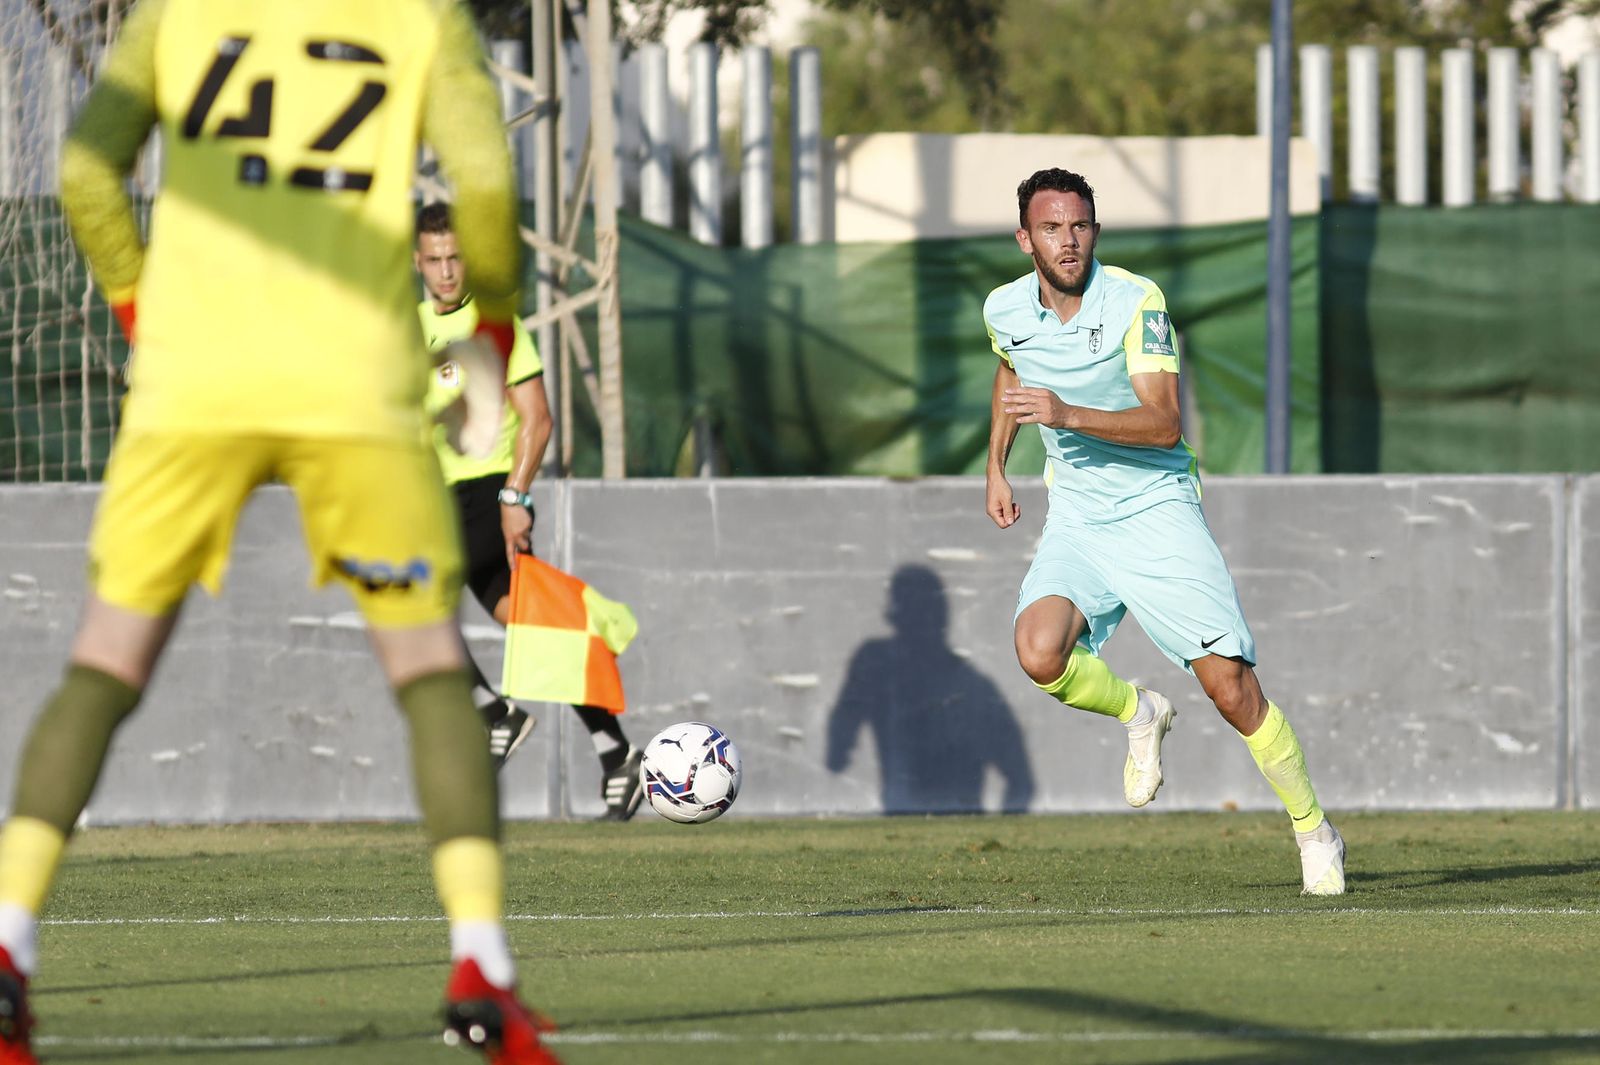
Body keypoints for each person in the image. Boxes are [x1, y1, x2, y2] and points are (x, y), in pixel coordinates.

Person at [0, 2, 563, 1062]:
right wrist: (489, 328)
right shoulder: (420, 16)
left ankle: (8, 948)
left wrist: (139, 310)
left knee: (104, 664)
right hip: (353, 379)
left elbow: (86, 170)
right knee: (431, 673)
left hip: (193, 380)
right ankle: (482, 965)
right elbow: (485, 185)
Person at [983, 168, 1345, 896]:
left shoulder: (1137, 301)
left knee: (1231, 689)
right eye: (1051, 228)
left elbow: (1164, 423)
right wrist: (996, 465)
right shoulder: (1004, 308)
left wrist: (1066, 414)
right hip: (1079, 516)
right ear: (1025, 239)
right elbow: (1010, 371)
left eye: (1080, 225)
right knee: (1038, 650)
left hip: (1156, 507)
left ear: (1095, 231)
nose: (1068, 240)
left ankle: (1314, 830)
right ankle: (1140, 710)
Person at [414, 203, 644, 817]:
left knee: (410, 597)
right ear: (418, 262)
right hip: (440, 497)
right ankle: (617, 753)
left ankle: (496, 713)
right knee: (538, 630)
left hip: (486, 493)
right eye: (434, 259)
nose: (446, 271)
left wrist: (515, 497)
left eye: (455, 257)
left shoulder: (496, 326)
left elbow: (537, 420)